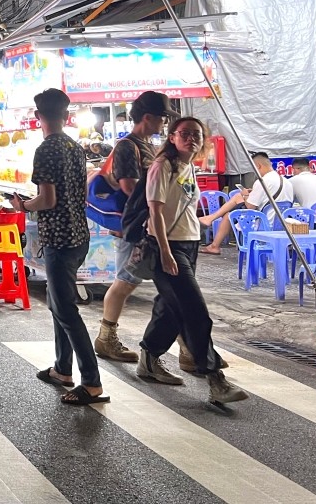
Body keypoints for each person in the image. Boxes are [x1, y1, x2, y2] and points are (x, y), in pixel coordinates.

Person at [136, 117, 248, 404]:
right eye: (184, 133)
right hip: (167, 246)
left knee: (171, 308)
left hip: (189, 243)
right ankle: (214, 378)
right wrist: (165, 252)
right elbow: (155, 212)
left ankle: (148, 358)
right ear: (172, 137)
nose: (191, 139)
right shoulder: (162, 166)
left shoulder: (188, 166)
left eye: (196, 134)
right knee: (195, 310)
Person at [12, 88, 107, 406]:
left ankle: (91, 382)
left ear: (38, 116)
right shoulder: (75, 148)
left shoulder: (46, 149)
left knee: (65, 309)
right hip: (79, 235)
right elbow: (77, 194)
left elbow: (48, 199)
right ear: (66, 116)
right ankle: (62, 369)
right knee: (57, 302)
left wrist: (24, 205)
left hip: (59, 238)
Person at [94, 92, 177, 364]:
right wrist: (154, 206)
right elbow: (129, 186)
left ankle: (190, 347)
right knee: (126, 281)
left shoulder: (149, 146)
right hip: (135, 226)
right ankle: (106, 338)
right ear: (147, 117)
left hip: (149, 225)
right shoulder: (128, 147)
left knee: (171, 286)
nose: (164, 122)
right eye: (162, 117)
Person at [198, 151, 296, 255]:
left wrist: (245, 195)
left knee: (230, 213)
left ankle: (213, 237)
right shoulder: (287, 182)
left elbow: (250, 207)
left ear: (258, 166)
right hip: (282, 226)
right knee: (235, 204)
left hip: (264, 225)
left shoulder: (262, 181)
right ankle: (211, 224)